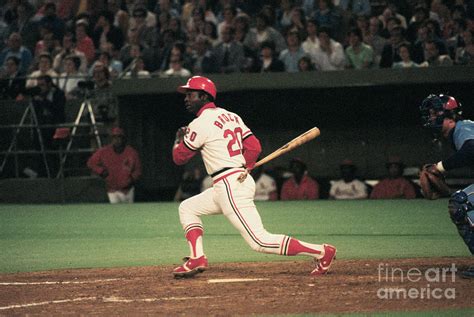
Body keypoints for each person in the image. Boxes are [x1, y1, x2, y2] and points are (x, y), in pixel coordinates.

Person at [171, 76, 336, 278]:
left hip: (229, 184)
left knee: (259, 241)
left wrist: (178, 140)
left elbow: (179, 158)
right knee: (188, 207)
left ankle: (321, 251)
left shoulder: (199, 123)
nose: (186, 98)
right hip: (231, 181)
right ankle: (197, 257)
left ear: (204, 96)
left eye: (191, 94)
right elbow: (254, 147)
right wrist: (247, 166)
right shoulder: (232, 116)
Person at [419, 94, 474, 278]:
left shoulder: (462, 127)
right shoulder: (461, 130)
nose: (431, 117)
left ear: (450, 117)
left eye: (435, 114)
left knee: (460, 204)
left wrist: (440, 167)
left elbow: (471, 149)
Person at [87, 127, 142, 204]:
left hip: (127, 190)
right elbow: (91, 163)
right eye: (114, 137)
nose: (117, 140)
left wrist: (131, 179)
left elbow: (138, 169)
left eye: (119, 137)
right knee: (116, 212)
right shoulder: (104, 152)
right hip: (112, 190)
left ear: (123, 139)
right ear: (111, 139)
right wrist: (101, 171)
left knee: (129, 213)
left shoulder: (131, 152)